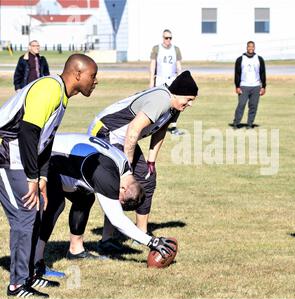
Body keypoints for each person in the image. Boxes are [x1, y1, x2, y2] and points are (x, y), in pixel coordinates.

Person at [0, 53, 98, 298]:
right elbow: (28, 131)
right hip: (5, 154)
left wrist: (42, 178)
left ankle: (31, 273)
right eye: (92, 76)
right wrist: (33, 178)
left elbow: (45, 141)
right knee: (25, 214)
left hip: (19, 157)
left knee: (41, 208)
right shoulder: (49, 88)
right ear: (77, 74)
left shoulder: (62, 95)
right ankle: (17, 285)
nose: (95, 81)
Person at [87, 70, 198, 253]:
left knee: (147, 179)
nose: (190, 104)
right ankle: (107, 239)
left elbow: (161, 130)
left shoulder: (175, 106)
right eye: (189, 99)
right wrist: (126, 169)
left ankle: (141, 234)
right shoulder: (161, 100)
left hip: (124, 139)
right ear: (177, 93)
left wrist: (151, 162)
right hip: (105, 133)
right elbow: (133, 130)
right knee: (117, 184)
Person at [33, 133, 176, 273]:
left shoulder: (124, 165)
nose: (115, 198)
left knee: (84, 198)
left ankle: (75, 250)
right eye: (118, 198)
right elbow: (117, 220)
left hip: (62, 155)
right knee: (54, 205)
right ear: (124, 189)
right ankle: (36, 262)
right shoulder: (107, 176)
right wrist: (152, 242)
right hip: (46, 155)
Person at [149, 29, 184, 136]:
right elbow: (152, 65)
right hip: (160, 78)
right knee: (159, 102)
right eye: (166, 38)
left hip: (172, 79)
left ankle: (173, 127)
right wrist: (151, 80)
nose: (168, 40)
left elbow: (178, 66)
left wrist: (181, 79)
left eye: (170, 38)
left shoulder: (176, 49)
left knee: (176, 103)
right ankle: (156, 125)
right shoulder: (156, 48)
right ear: (163, 38)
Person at [232, 41, 266, 129]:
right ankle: (236, 123)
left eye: (252, 47)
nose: (251, 48)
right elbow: (237, 73)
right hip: (244, 86)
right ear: (246, 47)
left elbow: (262, 73)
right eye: (249, 47)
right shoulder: (240, 59)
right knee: (241, 105)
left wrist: (263, 86)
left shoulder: (259, 59)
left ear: (254, 47)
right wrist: (237, 86)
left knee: (253, 106)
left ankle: (250, 124)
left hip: (256, 86)